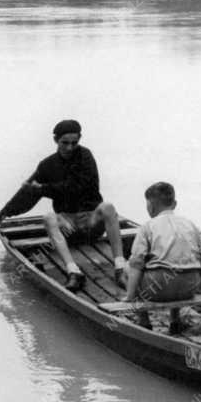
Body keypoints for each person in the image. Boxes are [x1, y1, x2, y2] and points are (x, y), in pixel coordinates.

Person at [24, 119, 126, 292]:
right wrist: (5, 213)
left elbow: (79, 187)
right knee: (48, 217)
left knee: (108, 207)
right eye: (65, 143)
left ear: (79, 140)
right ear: (56, 140)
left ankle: (120, 267)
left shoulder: (85, 156)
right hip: (68, 227)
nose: (70, 148)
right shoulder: (46, 165)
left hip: (91, 223)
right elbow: (27, 194)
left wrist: (43, 189)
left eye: (74, 143)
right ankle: (73, 271)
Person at [122, 182, 201, 306]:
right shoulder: (190, 224)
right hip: (189, 288)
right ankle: (175, 320)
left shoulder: (147, 227)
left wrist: (130, 296)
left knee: (128, 267)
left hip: (158, 290)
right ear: (174, 204)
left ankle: (144, 320)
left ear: (150, 206)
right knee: (177, 263)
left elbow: (136, 263)